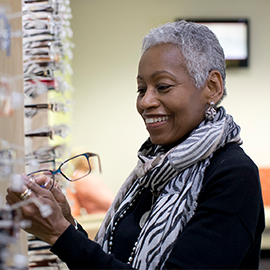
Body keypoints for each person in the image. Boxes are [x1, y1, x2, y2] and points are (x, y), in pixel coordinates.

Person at [6, 20, 265, 269]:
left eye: (162, 86)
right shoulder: (154, 167)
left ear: (212, 86)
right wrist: (67, 224)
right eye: (141, 89)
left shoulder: (233, 175)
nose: (145, 102)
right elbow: (116, 260)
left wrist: (60, 234)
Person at [66, 148, 114, 216]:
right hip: (104, 217)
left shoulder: (75, 178)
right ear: (84, 162)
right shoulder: (84, 179)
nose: (93, 163)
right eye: (91, 160)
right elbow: (108, 201)